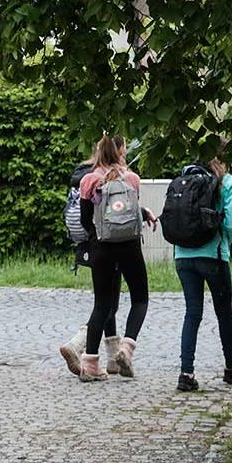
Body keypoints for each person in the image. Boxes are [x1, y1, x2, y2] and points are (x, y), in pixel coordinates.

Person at [76, 134, 157, 381]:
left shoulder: (88, 181)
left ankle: (90, 364)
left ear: (98, 152)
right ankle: (126, 347)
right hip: (129, 246)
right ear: (120, 152)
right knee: (140, 298)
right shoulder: (132, 179)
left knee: (102, 304)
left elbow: (84, 220)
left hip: (101, 247)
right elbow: (131, 214)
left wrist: (96, 238)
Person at [174, 153, 232, 391]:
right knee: (224, 312)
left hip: (183, 255)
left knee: (192, 313)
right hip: (214, 256)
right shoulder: (227, 182)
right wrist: (225, 241)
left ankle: (186, 373)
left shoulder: (185, 179)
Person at [58, 158, 121, 376]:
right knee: (107, 305)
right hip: (112, 242)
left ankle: (113, 360)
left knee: (107, 300)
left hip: (91, 243)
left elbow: (85, 218)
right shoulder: (113, 175)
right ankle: (77, 344)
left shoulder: (85, 174)